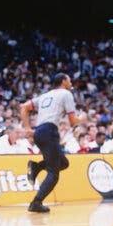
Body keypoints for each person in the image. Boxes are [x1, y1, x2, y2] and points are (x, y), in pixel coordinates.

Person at [20, 72, 88, 212]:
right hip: (49, 131)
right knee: (53, 174)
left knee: (63, 162)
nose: (71, 83)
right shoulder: (66, 94)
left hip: (40, 131)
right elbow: (73, 121)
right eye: (69, 80)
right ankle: (36, 202)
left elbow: (24, 107)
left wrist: (27, 128)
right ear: (63, 81)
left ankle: (36, 167)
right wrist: (82, 117)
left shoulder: (46, 95)